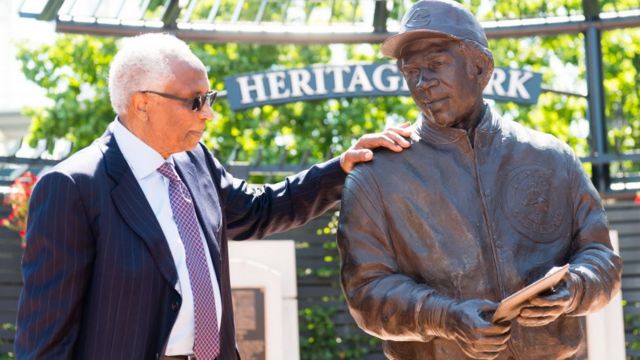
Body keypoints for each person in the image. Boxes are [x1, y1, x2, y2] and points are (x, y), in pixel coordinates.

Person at [14, 33, 412, 359]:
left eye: (211, 98)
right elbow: (46, 338)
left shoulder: (194, 161)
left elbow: (259, 210)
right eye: (195, 101)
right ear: (142, 103)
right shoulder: (73, 187)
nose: (208, 114)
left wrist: (342, 166)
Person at [337, 1, 622, 359]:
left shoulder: (552, 158)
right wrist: (445, 316)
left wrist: (575, 288)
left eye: (436, 65)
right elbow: (365, 291)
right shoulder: (376, 177)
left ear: (480, 68)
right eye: (412, 72)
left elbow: (601, 258)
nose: (423, 83)